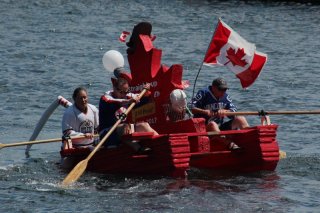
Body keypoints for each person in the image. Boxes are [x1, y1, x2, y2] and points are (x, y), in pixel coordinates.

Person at [99, 69, 158, 154]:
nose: (124, 94)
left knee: (144, 125)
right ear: (114, 89)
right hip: (106, 134)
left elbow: (144, 97)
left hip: (124, 129)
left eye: (126, 92)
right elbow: (113, 102)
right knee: (124, 127)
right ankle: (139, 149)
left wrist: (146, 90)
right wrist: (128, 101)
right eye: (121, 92)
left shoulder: (127, 95)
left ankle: (160, 141)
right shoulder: (105, 98)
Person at [191, 77, 249, 150]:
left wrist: (226, 112)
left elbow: (234, 111)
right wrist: (205, 112)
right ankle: (230, 144)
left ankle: (250, 139)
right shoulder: (203, 93)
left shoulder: (226, 97)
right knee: (213, 124)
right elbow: (192, 108)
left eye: (224, 89)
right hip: (205, 128)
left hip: (220, 127)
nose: (223, 92)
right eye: (220, 89)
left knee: (241, 119)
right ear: (213, 88)